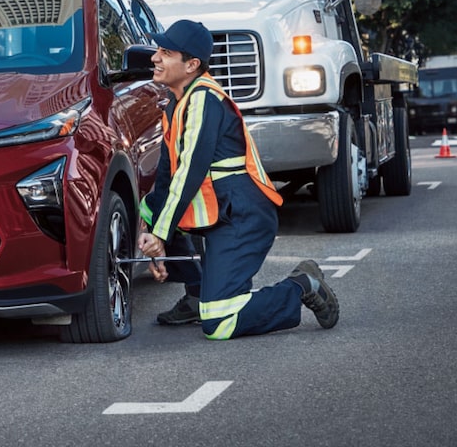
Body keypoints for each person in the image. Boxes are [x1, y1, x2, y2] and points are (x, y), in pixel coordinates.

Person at [137, 19, 339, 340]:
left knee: (219, 323)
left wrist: (162, 233)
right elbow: (167, 176)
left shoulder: (204, 98)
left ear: (191, 65)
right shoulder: (177, 103)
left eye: (165, 52)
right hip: (222, 212)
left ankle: (301, 285)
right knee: (151, 205)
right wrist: (152, 231)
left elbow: (191, 170)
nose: (154, 58)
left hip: (242, 216)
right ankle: (199, 293)